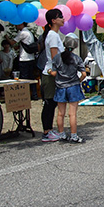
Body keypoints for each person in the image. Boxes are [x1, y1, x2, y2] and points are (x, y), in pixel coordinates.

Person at [50, 33, 87, 143]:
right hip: (73, 87)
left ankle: (61, 134)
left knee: (60, 113)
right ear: (75, 46)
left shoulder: (57, 58)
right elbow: (84, 74)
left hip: (60, 87)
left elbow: (53, 73)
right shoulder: (77, 58)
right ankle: (74, 135)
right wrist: (78, 81)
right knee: (72, 113)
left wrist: (49, 71)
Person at [41, 8, 64, 142]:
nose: (63, 18)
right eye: (60, 17)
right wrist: (58, 72)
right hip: (51, 73)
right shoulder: (53, 35)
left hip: (52, 72)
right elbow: (55, 56)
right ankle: (46, 131)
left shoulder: (53, 34)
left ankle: (49, 130)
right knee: (49, 102)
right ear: (53, 21)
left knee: (52, 102)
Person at [5, 23, 39, 99]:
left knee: (24, 78)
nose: (16, 26)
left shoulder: (22, 33)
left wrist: (6, 37)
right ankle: (34, 94)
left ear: (21, 24)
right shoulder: (29, 32)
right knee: (31, 77)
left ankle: (25, 95)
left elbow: (12, 42)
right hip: (31, 58)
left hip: (24, 59)